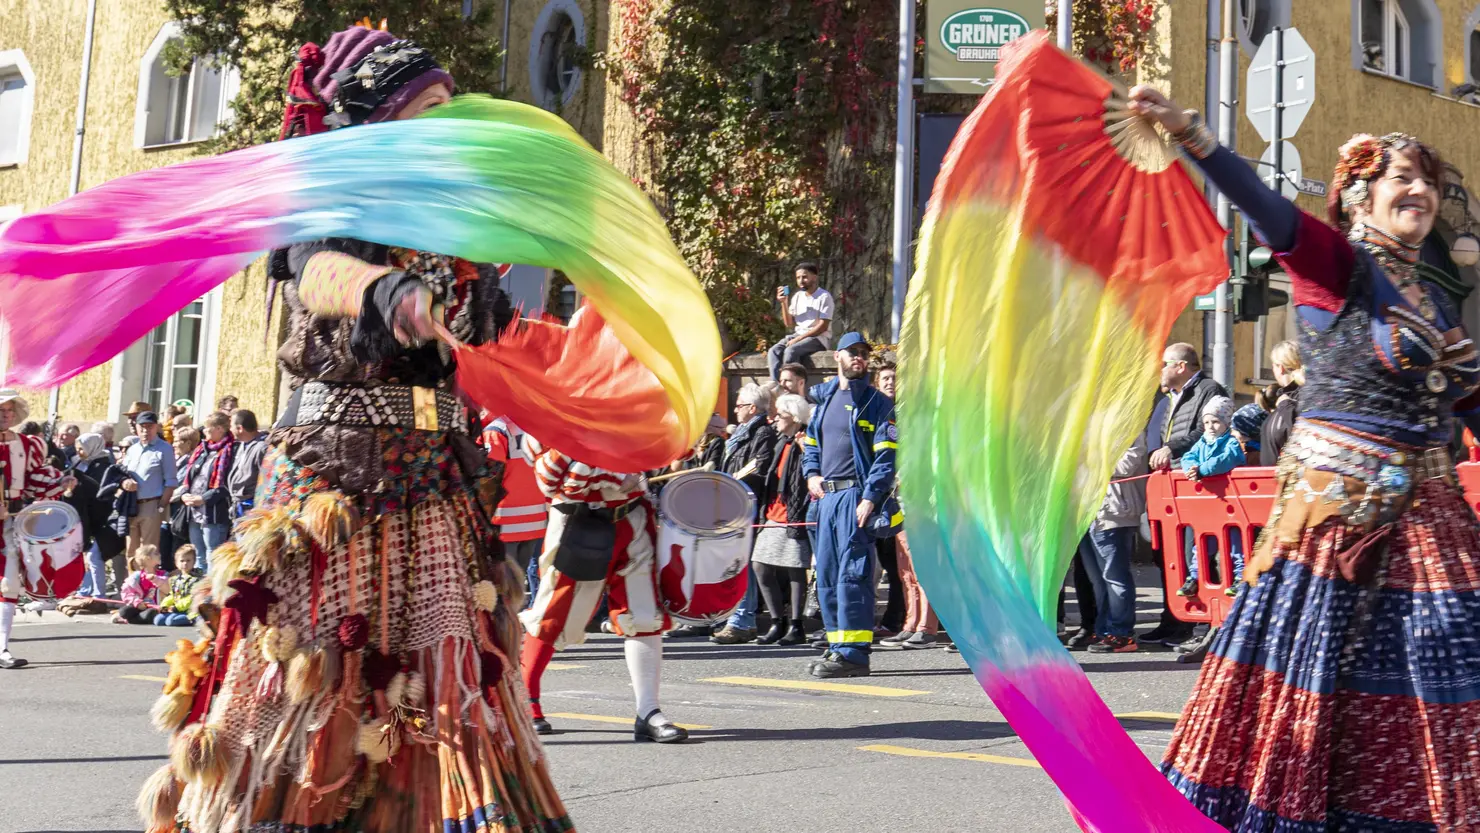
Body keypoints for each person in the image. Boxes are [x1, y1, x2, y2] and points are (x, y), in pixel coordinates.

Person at [134, 26, 570, 833]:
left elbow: (489, 331)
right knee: (308, 666)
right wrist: (385, 293)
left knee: (448, 670)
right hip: (336, 483)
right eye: (431, 107)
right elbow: (319, 272)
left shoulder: (450, 225)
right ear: (382, 117)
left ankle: (446, 814)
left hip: (437, 482)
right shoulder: (327, 202)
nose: (449, 123)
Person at [1133, 86, 1480, 829]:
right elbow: (1267, 205)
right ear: (1359, 198)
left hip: (1429, 518)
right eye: (1401, 177)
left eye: (1427, 177)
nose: (1420, 189)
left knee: (1447, 662)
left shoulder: (1434, 297)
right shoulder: (1337, 265)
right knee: (1315, 678)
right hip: (1338, 515)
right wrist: (1190, 133)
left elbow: (1464, 404)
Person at [520, 446, 689, 743]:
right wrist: (591, 448)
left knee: (643, 613)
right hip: (578, 521)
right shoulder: (551, 411)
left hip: (631, 519)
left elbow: (671, 446)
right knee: (554, 614)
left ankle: (648, 710)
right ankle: (525, 698)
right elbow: (548, 481)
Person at [802, 332, 897, 678]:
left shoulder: (877, 403)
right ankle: (836, 643)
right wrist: (811, 474)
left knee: (853, 576)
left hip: (854, 498)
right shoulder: (824, 399)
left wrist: (871, 497)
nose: (860, 357)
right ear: (837, 357)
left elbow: (886, 458)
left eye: (864, 354)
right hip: (826, 498)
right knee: (826, 575)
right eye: (853, 352)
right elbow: (811, 444)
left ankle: (855, 653)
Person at [1141, 344, 1227, 647]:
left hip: (1194, 483)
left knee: (1197, 554)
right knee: (1166, 554)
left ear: (1181, 366)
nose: (1159, 369)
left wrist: (1172, 450)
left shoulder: (1208, 389)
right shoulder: (1169, 397)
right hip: (1168, 484)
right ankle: (1172, 619)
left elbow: (1209, 432)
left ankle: (1200, 623)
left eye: (1164, 363)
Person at [0, 390, 73, 668]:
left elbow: (34, 479)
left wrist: (61, 481)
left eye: (9, 411)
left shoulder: (26, 444)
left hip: (13, 520)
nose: (6, 415)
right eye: (1, 410)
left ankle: (2, 648)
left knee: (9, 583)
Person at [711, 383, 777, 645]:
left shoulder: (761, 432)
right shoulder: (742, 433)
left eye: (739, 406)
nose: (735, 410)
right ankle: (731, 616)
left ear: (752, 408)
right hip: (733, 502)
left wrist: (732, 481)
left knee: (742, 565)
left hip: (745, 504)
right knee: (733, 564)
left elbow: (757, 468)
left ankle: (742, 620)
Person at [751, 393, 813, 645]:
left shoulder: (806, 441)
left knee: (795, 569)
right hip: (773, 513)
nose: (775, 419)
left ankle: (796, 625)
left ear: (795, 418)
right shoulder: (780, 441)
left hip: (794, 515)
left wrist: (805, 448)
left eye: (781, 415)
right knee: (760, 566)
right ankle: (777, 621)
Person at [1176, 396, 1246, 594]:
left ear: (1226, 423)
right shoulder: (1202, 442)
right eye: (1207, 422)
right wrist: (1190, 468)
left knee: (1235, 544)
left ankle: (1239, 576)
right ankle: (1194, 577)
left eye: (1216, 422)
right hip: (1209, 505)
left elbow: (1226, 460)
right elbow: (1188, 456)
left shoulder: (1231, 442)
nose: (1211, 426)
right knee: (1202, 544)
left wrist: (1202, 470)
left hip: (1230, 504)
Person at [482, 415, 548, 598]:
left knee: (503, 589)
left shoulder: (496, 431)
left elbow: (488, 478)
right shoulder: (541, 425)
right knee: (518, 586)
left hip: (504, 521)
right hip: (535, 519)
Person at [118, 410, 177, 573]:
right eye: (142, 427)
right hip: (131, 505)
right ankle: (133, 588)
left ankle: (148, 589)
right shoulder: (132, 449)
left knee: (148, 551)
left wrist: (161, 507)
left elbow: (171, 481)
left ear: (156, 427)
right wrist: (125, 482)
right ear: (136, 428)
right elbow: (122, 474)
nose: (145, 430)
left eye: (149, 427)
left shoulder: (164, 449)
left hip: (151, 504)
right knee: (131, 551)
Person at [180, 411, 236, 570]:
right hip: (194, 510)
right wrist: (185, 493)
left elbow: (226, 485)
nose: (204, 431)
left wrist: (203, 498)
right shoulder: (203, 449)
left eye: (207, 428)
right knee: (198, 553)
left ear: (219, 429)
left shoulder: (230, 450)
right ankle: (200, 589)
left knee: (213, 554)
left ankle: (212, 591)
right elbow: (190, 475)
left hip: (213, 512)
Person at [767, 261, 836, 380]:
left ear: (814, 277)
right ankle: (776, 385)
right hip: (798, 335)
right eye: (798, 277)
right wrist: (784, 302)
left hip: (818, 339)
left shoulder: (824, 297)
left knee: (791, 351)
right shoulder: (798, 296)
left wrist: (798, 339)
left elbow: (823, 327)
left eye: (804, 277)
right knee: (774, 351)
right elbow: (789, 323)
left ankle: (790, 385)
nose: (801, 280)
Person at [71, 433, 116, 600]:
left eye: (82, 449)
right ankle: (85, 589)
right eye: (77, 449)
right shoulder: (79, 463)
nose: (79, 453)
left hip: (100, 516)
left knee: (94, 555)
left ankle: (97, 594)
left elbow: (98, 491)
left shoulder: (102, 466)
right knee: (86, 555)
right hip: (83, 514)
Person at [1261, 338, 1305, 464]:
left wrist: (1286, 406)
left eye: (1273, 365)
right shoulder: (1286, 399)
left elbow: (1298, 436)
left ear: (1280, 368)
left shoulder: (1296, 400)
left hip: (1289, 478)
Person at [111, 544, 167, 625]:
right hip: (139, 605)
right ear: (148, 558)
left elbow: (167, 588)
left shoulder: (163, 575)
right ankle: (132, 618)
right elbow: (127, 593)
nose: (159, 555)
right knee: (124, 611)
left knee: (150, 613)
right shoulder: (136, 577)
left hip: (154, 607)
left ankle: (130, 620)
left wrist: (156, 579)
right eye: (156, 553)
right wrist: (137, 602)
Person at [226, 409, 266, 518]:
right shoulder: (241, 445)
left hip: (251, 507)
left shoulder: (261, 448)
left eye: (231, 426)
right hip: (238, 506)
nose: (230, 429)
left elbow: (265, 480)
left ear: (240, 428)